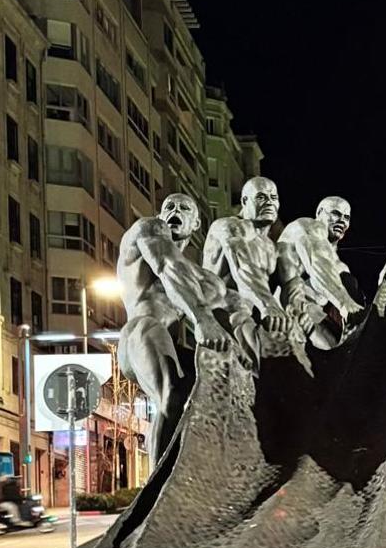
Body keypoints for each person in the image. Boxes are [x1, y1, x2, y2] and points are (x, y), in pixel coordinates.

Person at [116, 193, 235, 461]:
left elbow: (236, 306)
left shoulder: (203, 278)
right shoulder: (149, 229)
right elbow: (167, 267)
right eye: (169, 206)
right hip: (141, 332)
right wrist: (202, 319)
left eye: (184, 208)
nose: (174, 211)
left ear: (196, 225)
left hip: (168, 346)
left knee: (207, 392)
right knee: (171, 397)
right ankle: (157, 485)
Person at [203, 177, 291, 356]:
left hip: (253, 318)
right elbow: (243, 267)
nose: (269, 202)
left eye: (273, 198)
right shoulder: (229, 226)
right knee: (240, 314)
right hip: (221, 317)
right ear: (245, 201)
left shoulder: (269, 246)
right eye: (261, 197)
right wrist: (268, 304)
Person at [277, 195, 365, 349]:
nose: (342, 221)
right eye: (336, 213)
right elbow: (317, 263)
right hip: (283, 310)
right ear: (319, 213)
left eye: (346, 217)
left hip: (310, 316)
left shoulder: (339, 265)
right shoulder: (307, 226)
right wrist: (345, 304)